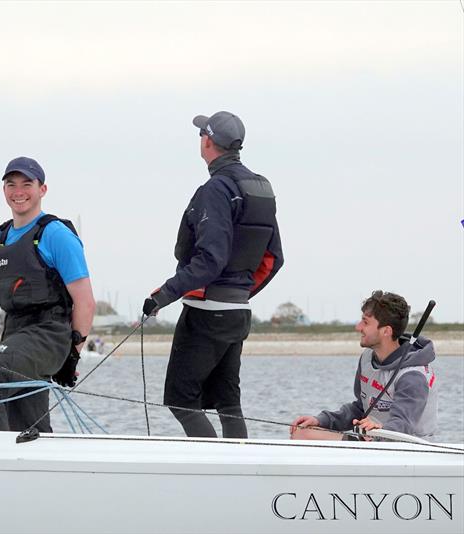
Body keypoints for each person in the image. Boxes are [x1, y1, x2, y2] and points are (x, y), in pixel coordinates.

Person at [142, 111, 284, 438]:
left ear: (207, 142)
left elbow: (210, 260)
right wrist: (240, 294)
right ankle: (240, 470)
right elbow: (274, 259)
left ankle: (216, 468)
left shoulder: (216, 189)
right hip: (237, 313)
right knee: (227, 402)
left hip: (208, 313)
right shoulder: (260, 188)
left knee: (180, 400)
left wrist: (163, 295)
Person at [0, 156, 96, 432]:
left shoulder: (56, 235)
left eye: (27, 184)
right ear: (4, 191)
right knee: (24, 424)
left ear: (42, 189)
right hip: (15, 335)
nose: (18, 191)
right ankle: (38, 470)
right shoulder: (0, 239)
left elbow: (86, 302)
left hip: (48, 333)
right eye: (11, 184)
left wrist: (72, 357)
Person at [290, 291, 438, 440]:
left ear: (386, 331)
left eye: (365, 322)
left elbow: (402, 425)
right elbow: (361, 408)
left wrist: (381, 430)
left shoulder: (412, 376)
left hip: (408, 451)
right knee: (303, 431)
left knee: (304, 435)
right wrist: (322, 420)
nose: (358, 327)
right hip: (371, 442)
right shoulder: (367, 358)